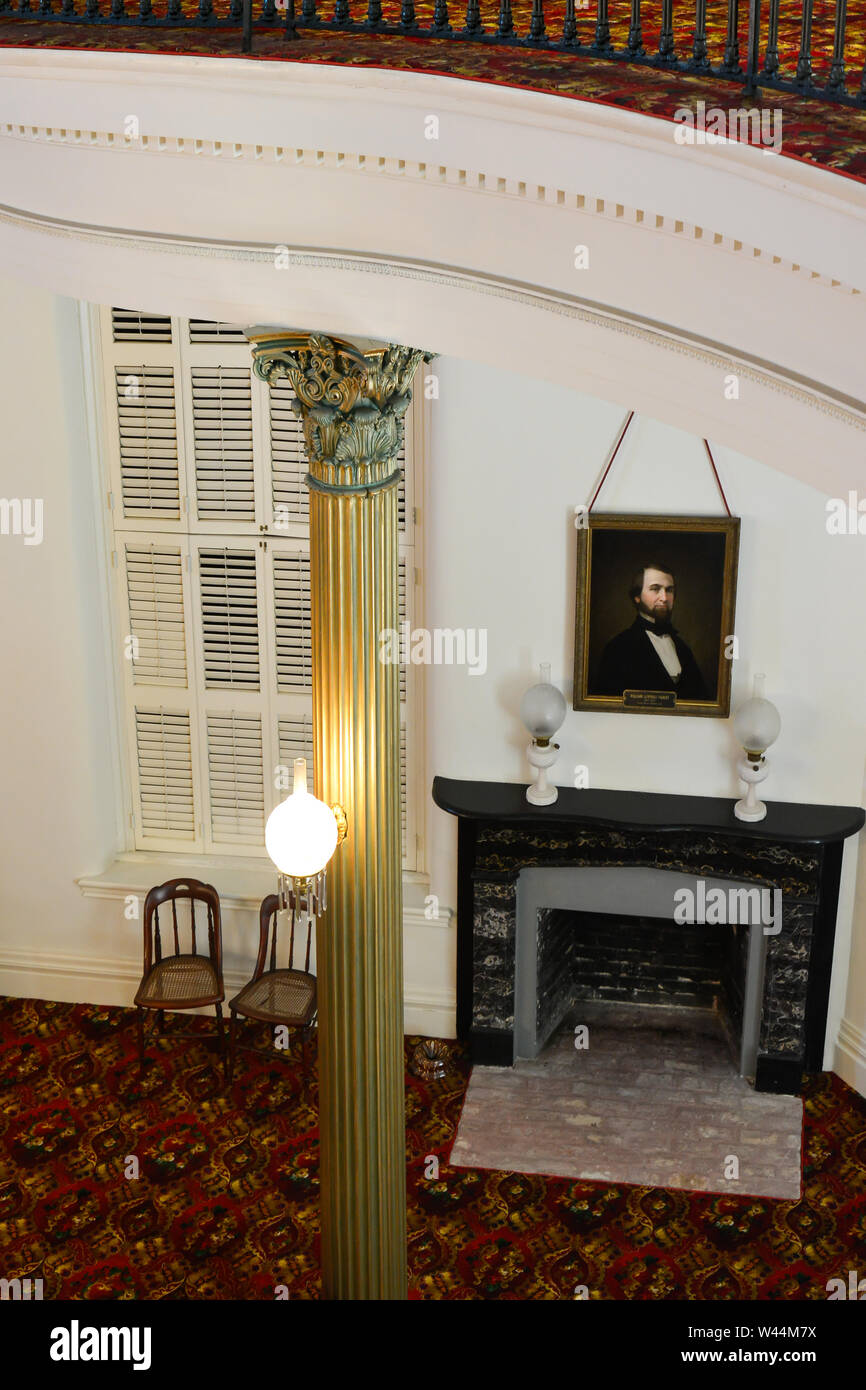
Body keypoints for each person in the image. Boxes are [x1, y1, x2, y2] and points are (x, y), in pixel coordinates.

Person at [594, 562, 709, 700]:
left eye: (669, 590)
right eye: (655, 589)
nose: (664, 598)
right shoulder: (618, 648)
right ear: (637, 597)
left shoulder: (683, 648)